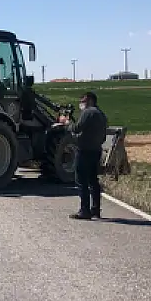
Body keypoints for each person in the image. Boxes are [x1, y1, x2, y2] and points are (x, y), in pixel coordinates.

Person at [58, 91, 108, 220]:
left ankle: (84, 211)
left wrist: (66, 123)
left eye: (83, 100)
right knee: (93, 181)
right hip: (96, 150)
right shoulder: (102, 114)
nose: (81, 103)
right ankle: (95, 210)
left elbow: (77, 128)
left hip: (85, 150)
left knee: (81, 181)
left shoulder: (88, 112)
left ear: (90, 100)